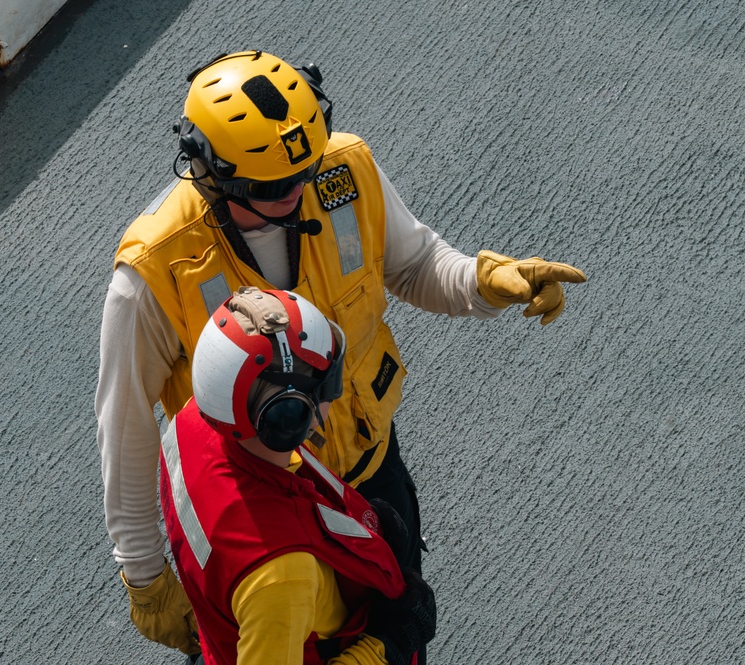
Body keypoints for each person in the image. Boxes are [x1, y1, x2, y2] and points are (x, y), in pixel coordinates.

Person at [95, 49, 586, 658]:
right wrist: (145, 577)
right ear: (212, 173)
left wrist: (484, 282)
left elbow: (413, 264)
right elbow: (125, 427)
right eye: (278, 187)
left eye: (308, 166)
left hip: (368, 471)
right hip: (259, 515)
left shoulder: (342, 171)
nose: (302, 191)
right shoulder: (151, 272)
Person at [160, 286, 435, 664]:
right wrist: (385, 649)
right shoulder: (283, 577)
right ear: (286, 418)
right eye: (327, 385)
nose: (333, 398)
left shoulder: (193, 423)